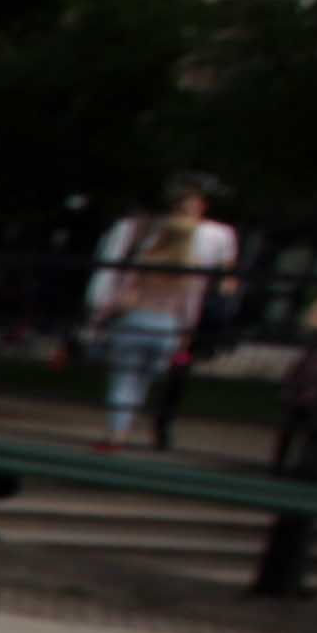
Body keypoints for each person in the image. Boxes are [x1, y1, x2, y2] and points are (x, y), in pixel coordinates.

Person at [89, 180, 233, 450]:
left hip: (136, 322)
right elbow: (190, 309)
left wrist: (101, 317)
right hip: (167, 328)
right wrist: (185, 337)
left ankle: (117, 432)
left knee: (124, 379)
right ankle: (130, 425)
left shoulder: (146, 260)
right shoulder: (192, 271)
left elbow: (122, 294)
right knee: (144, 379)